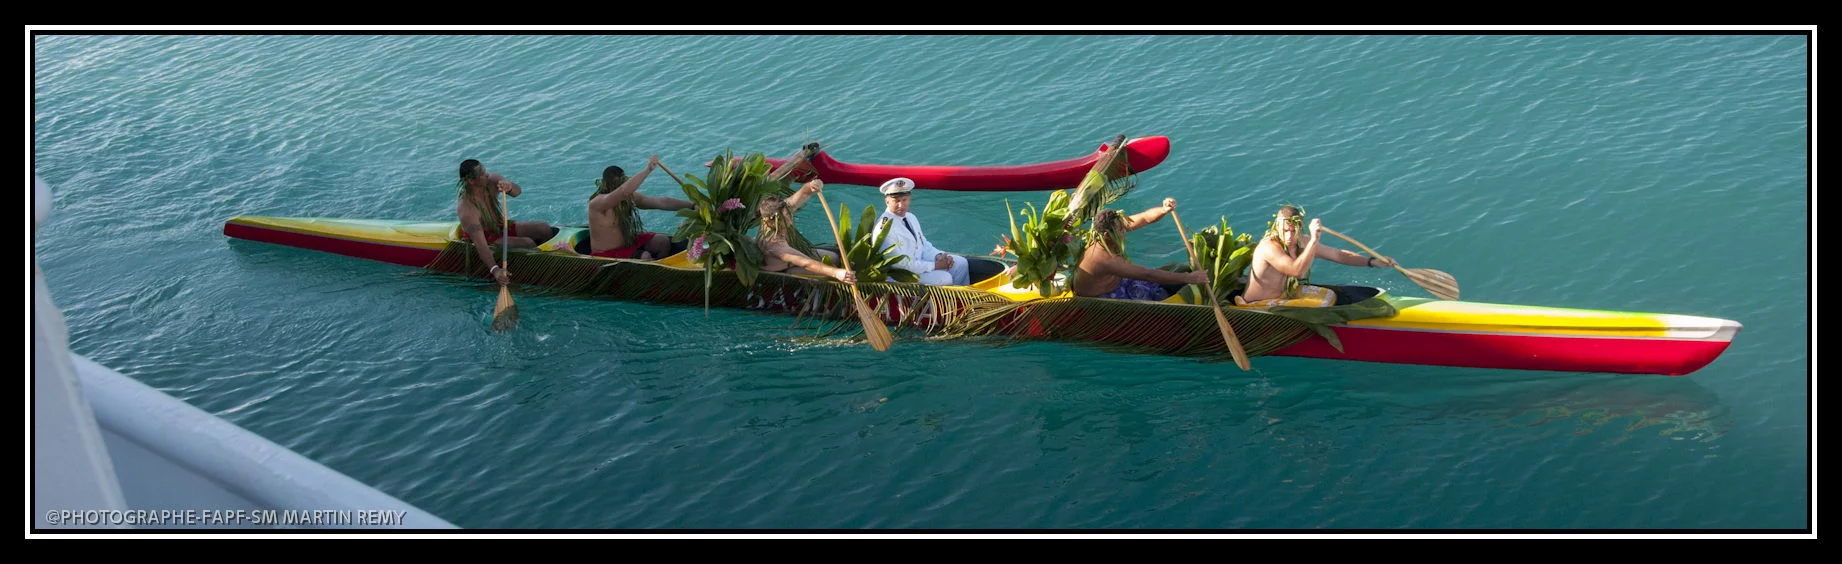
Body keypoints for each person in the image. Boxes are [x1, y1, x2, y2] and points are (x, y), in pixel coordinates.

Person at [1240, 204, 1395, 307]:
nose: (1289, 236)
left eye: (1293, 231)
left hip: (1284, 297)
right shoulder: (1269, 247)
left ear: (1300, 228)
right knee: (1323, 305)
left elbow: (1338, 255)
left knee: (1330, 295)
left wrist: (1372, 262)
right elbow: (1297, 271)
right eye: (1285, 230)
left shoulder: (1302, 241)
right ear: (1276, 227)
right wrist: (1314, 239)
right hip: (1258, 304)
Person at [1071, 198, 1210, 301]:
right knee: (1160, 295)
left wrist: (1163, 209)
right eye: (1121, 230)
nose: (1124, 231)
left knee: (1173, 272)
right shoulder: (1105, 260)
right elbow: (1147, 275)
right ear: (1107, 235)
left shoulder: (1104, 235)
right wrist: (1190, 278)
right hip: (1102, 297)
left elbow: (1144, 218)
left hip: (1120, 281)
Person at [572, 155, 694, 260]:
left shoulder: (629, 198)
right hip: (605, 254)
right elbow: (623, 191)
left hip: (628, 244)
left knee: (662, 241)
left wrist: (692, 205)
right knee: (644, 256)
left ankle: (661, 267)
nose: (619, 187)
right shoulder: (598, 203)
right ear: (606, 184)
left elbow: (661, 202)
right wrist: (648, 169)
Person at [457, 159, 553, 285]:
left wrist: (509, 186)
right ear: (471, 181)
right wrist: (495, 270)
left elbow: (517, 192)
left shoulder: (492, 181)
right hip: (487, 238)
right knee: (527, 243)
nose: (486, 175)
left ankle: (552, 254)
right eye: (482, 173)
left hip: (499, 225)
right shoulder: (467, 208)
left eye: (485, 170)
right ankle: (544, 269)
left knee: (543, 228)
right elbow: (481, 244)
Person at [870, 177, 969, 286]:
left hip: (919, 264)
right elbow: (898, 264)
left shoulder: (910, 217)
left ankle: (961, 299)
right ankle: (942, 302)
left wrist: (938, 256)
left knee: (961, 263)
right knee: (944, 278)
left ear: (909, 199)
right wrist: (934, 265)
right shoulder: (884, 227)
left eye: (904, 200)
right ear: (887, 201)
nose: (901, 205)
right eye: (896, 201)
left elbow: (923, 245)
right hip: (900, 275)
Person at [755, 179, 856, 284]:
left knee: (836, 257)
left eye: (789, 216)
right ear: (768, 222)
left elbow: (804, 192)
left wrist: (812, 186)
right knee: (834, 269)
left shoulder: (780, 210)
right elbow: (806, 263)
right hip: (786, 272)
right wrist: (836, 273)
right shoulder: (774, 245)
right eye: (784, 220)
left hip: (798, 253)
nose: (790, 222)